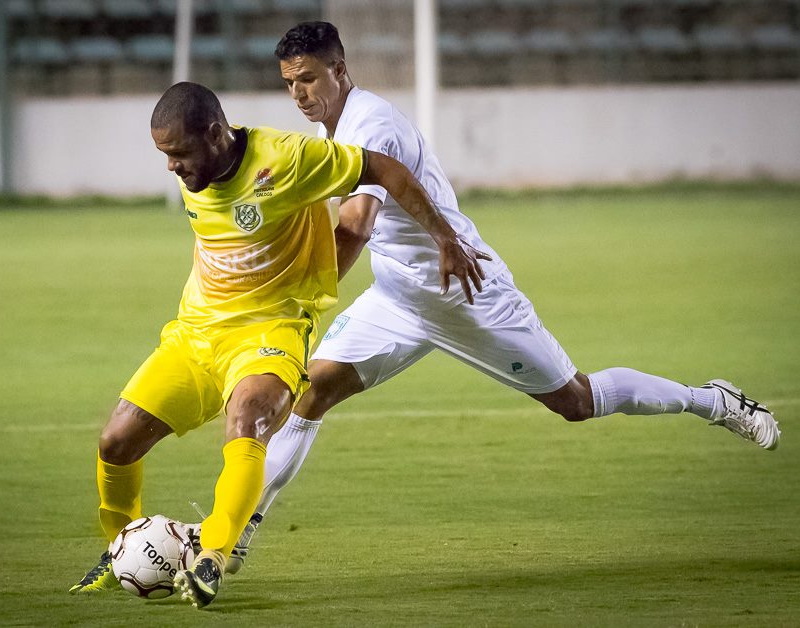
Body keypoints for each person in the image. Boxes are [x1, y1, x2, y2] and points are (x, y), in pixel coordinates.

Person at [217, 21, 781, 575]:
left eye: (309, 79)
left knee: (576, 401)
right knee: (309, 393)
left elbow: (357, 226)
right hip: (398, 296)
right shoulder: (330, 127)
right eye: (290, 82)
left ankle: (713, 401)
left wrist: (300, 298)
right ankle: (238, 533)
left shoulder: (371, 126)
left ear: (340, 70)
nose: (299, 94)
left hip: (464, 291)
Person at [68, 81, 489, 608]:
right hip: (197, 333)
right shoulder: (195, 171)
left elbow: (385, 170)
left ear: (216, 134)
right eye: (164, 155)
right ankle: (121, 551)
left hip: (270, 330)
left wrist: (446, 237)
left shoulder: (288, 159)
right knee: (116, 442)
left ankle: (213, 557)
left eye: (178, 153)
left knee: (247, 420)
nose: (171, 167)